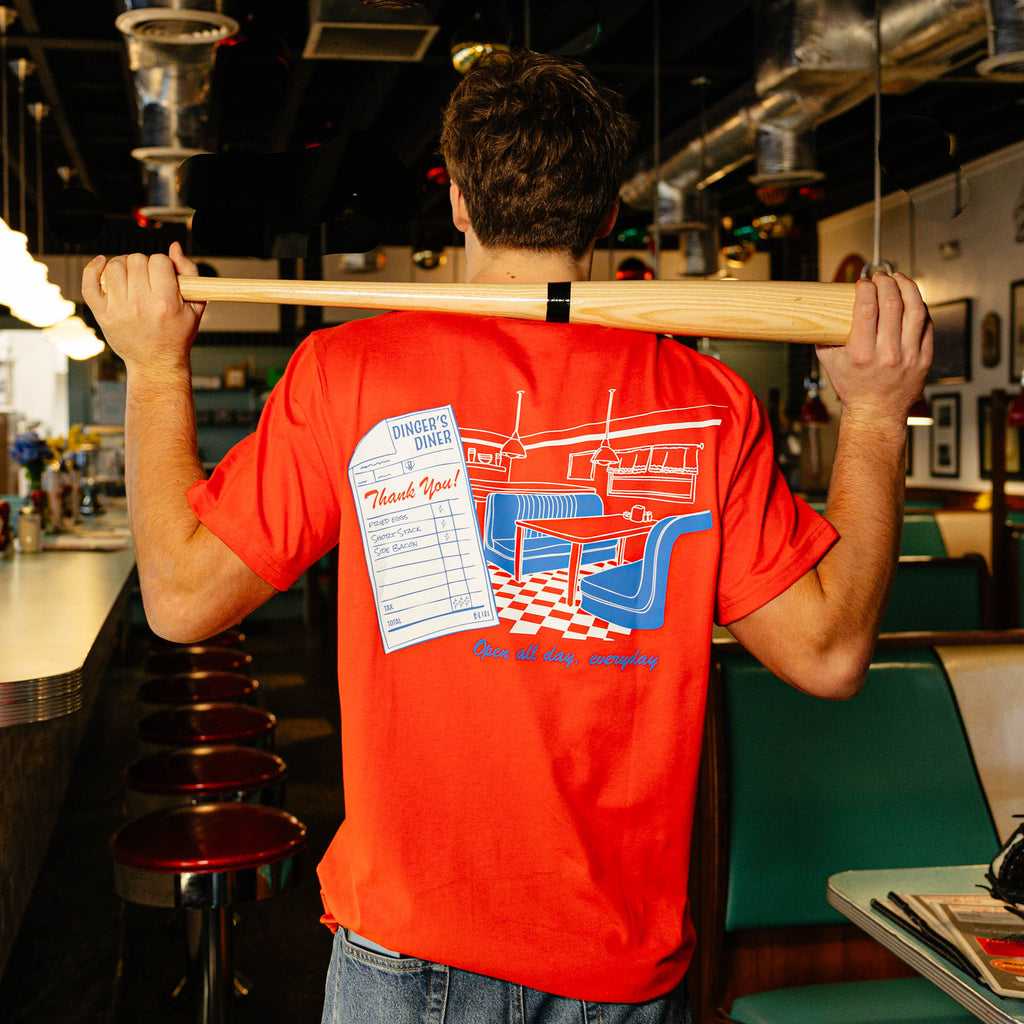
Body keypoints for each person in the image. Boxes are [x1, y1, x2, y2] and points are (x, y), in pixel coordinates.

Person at [82, 49, 932, 1024]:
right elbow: (827, 653)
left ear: (456, 203)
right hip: (615, 963)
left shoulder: (347, 375)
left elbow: (181, 601)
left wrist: (153, 370)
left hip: (414, 950)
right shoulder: (708, 405)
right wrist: (873, 419)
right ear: (610, 214)